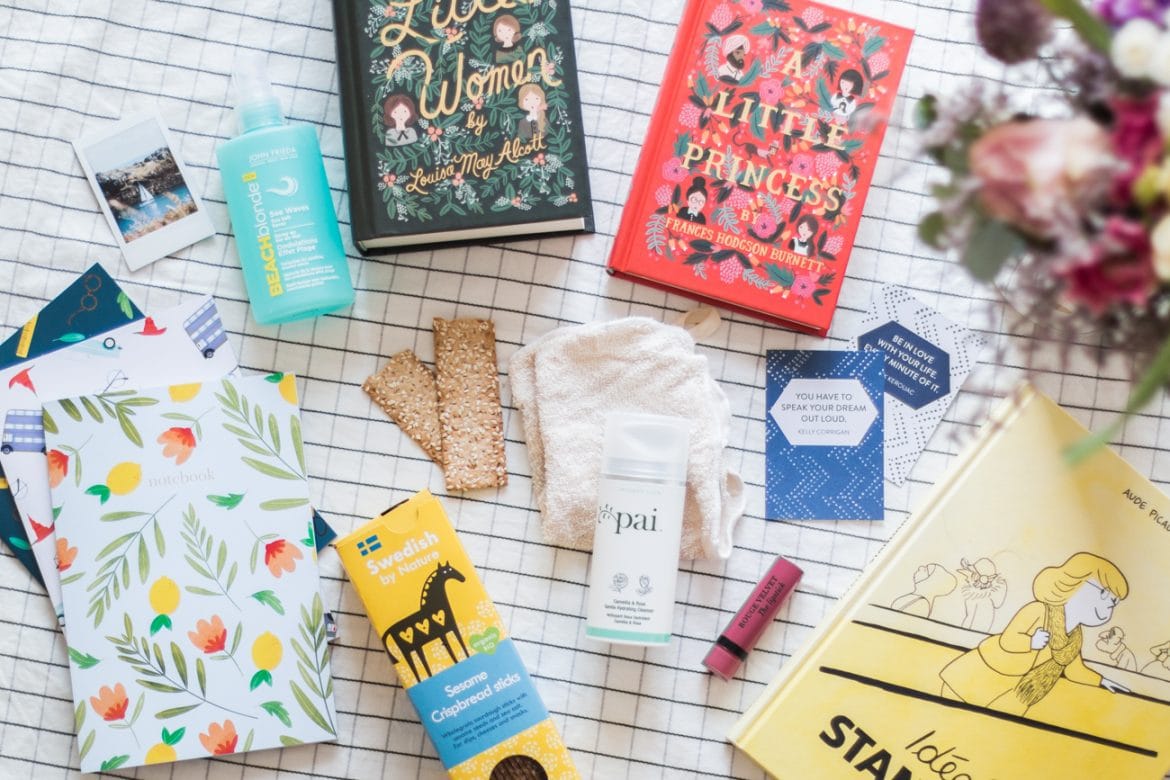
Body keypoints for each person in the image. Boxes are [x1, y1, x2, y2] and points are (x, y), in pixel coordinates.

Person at [939, 552, 1131, 716]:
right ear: (1072, 582)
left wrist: (1102, 681)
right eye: (1103, 594)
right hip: (987, 672)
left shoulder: (1075, 638)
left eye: (1113, 601)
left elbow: (1074, 670)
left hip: (1019, 690)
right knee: (950, 711)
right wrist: (1030, 642)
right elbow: (1008, 640)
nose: (1108, 605)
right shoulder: (1038, 610)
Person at [890, 563, 957, 618]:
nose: (920, 568)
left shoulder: (921, 601)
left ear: (929, 581)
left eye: (925, 570)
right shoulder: (917, 598)